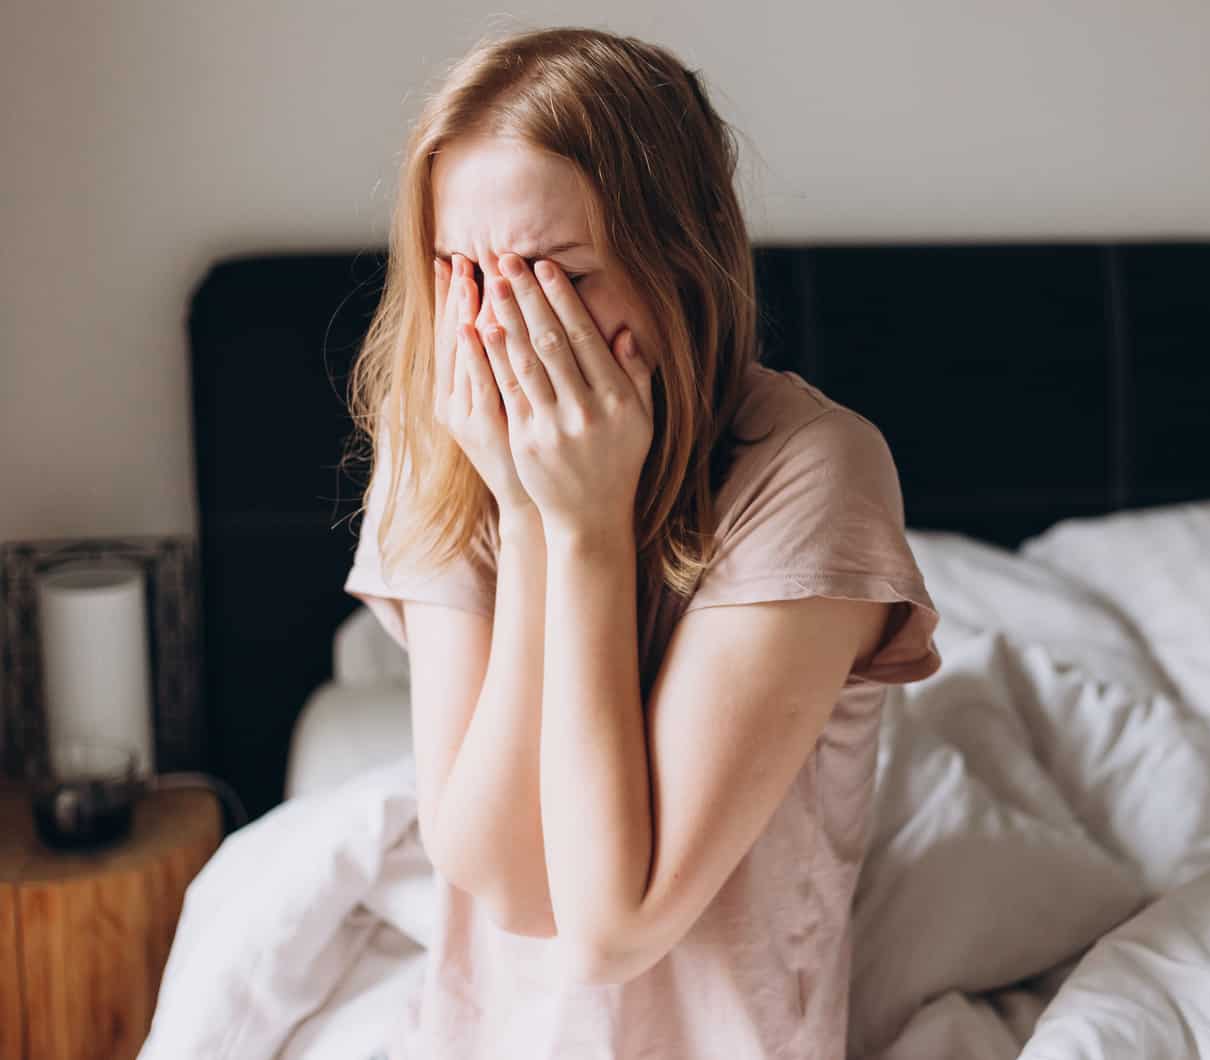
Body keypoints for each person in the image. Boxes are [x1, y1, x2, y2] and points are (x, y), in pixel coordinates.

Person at [341, 24, 942, 1059]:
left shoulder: (814, 469)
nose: (500, 331)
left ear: (681, 265)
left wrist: (584, 529)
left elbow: (606, 927)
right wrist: (529, 515)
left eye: (554, 276)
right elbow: (504, 881)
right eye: (463, 272)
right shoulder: (439, 437)